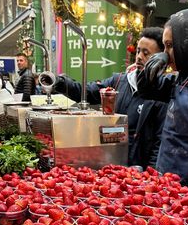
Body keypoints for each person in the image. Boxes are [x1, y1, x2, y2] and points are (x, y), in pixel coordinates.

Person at [54, 27, 167, 168]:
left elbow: (160, 140)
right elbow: (87, 92)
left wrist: (151, 174)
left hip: (139, 168)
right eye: (138, 51)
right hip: (112, 162)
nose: (139, 57)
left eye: (146, 53)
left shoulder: (162, 91)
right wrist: (58, 82)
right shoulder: (118, 81)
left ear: (159, 58)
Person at [137, 8, 188, 189]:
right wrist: (154, 64)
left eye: (170, 46)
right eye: (164, 46)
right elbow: (145, 90)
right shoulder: (184, 76)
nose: (166, 53)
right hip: (170, 186)